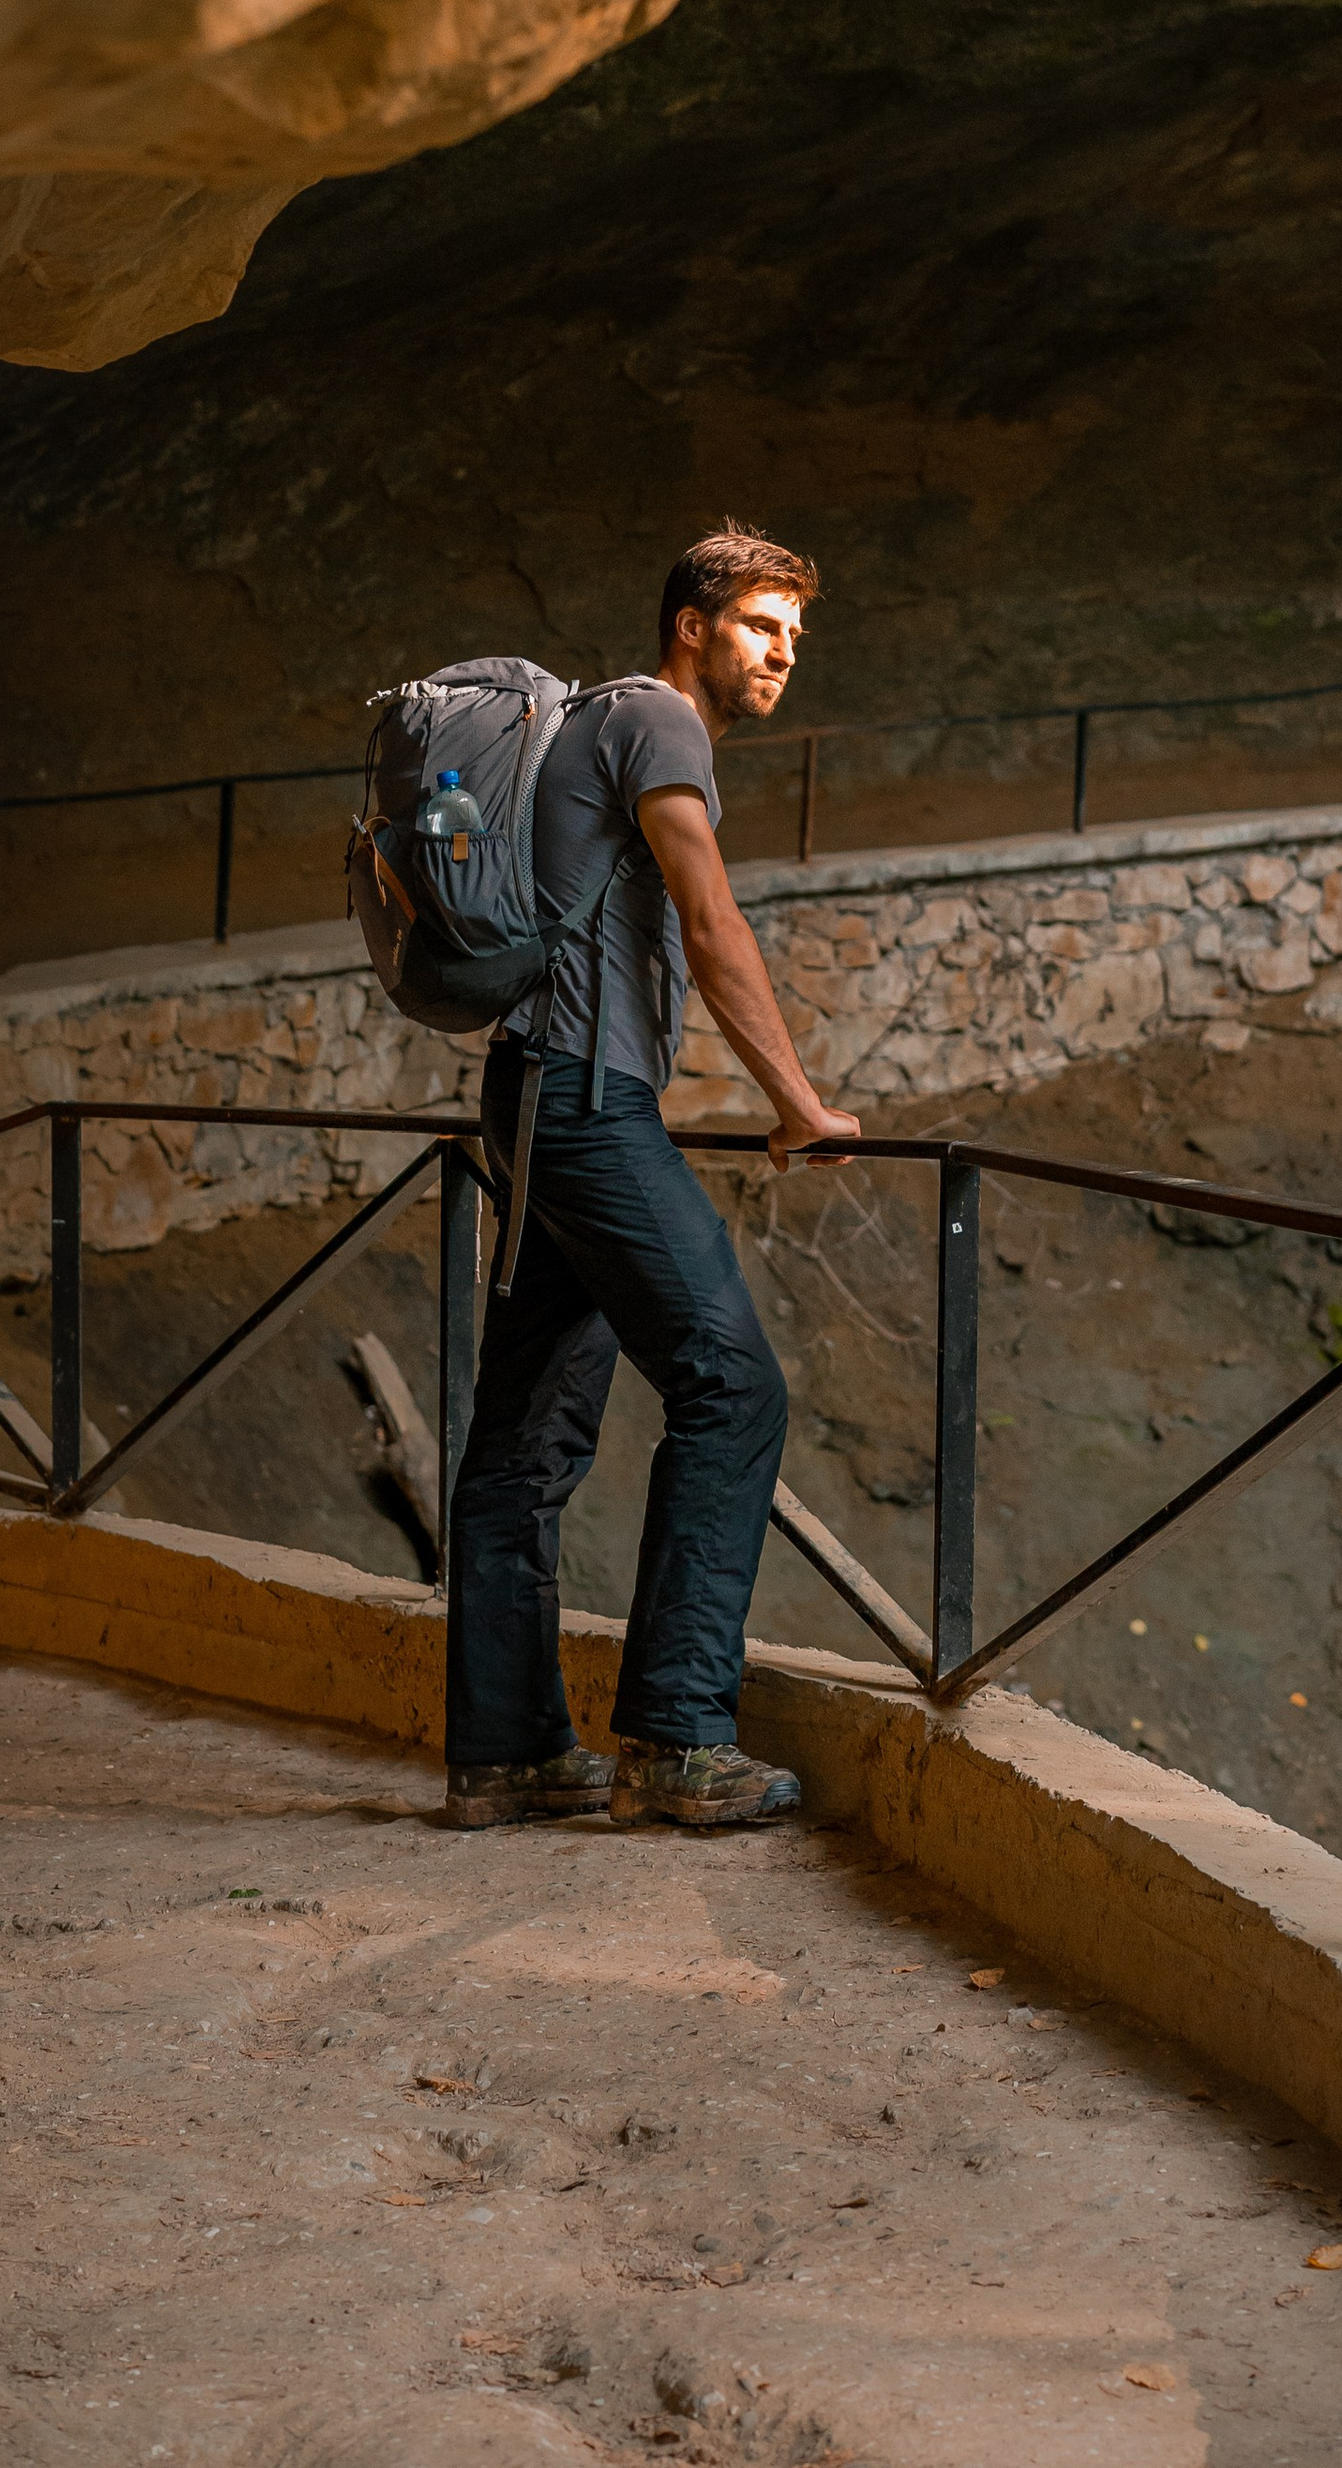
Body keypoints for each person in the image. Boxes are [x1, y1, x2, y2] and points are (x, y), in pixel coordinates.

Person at [442, 523, 861, 1832]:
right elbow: (708, 916)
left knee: (522, 1440)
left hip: (534, 1091)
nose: (783, 653)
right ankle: (679, 1737)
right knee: (733, 1385)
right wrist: (797, 1102)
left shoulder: (607, 725)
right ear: (693, 623)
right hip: (582, 1099)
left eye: (795, 635)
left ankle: (506, 1757)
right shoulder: (658, 723)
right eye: (760, 626)